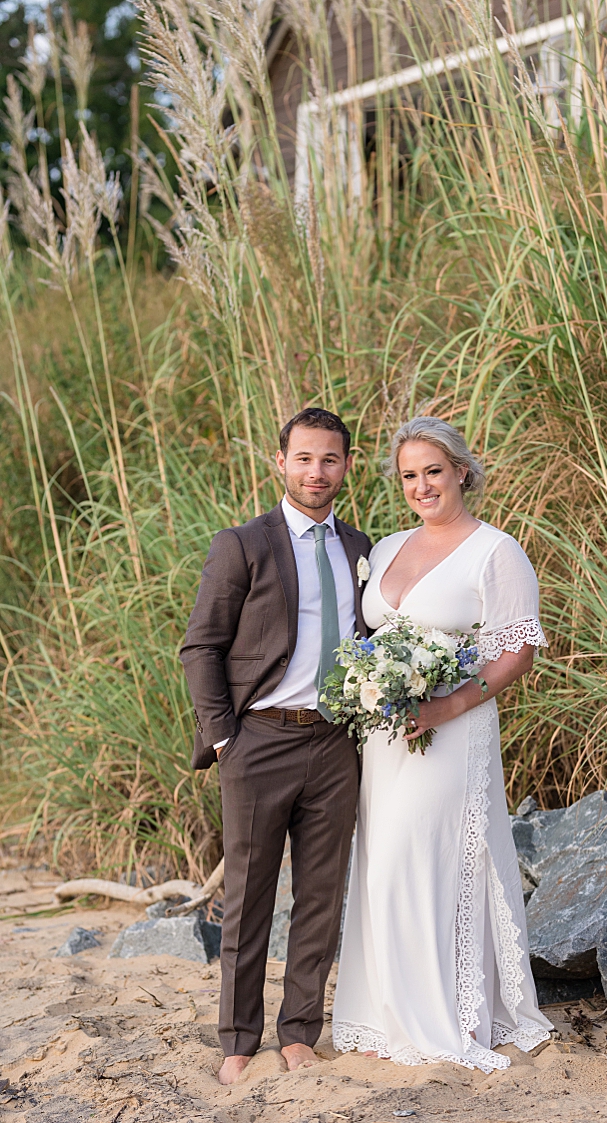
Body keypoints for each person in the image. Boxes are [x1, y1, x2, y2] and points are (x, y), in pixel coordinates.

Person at [331, 416, 553, 1070]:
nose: (422, 485)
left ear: (460, 469)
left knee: (420, 855)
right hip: (384, 736)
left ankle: (441, 1012)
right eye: (409, 475)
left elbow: (516, 654)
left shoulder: (495, 551)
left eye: (433, 470)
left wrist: (442, 705)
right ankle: (383, 1010)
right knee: (380, 860)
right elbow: (370, 635)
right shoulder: (394, 542)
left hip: (450, 732)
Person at [180, 407, 373, 1086]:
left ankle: (299, 1032)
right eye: (303, 458)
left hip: (334, 742)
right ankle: (237, 1038)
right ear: (280, 462)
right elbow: (200, 645)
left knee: (321, 896)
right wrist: (226, 737)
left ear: (347, 466)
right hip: (258, 740)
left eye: (329, 459)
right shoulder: (244, 544)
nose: (316, 471)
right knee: (249, 894)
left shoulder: (360, 548)